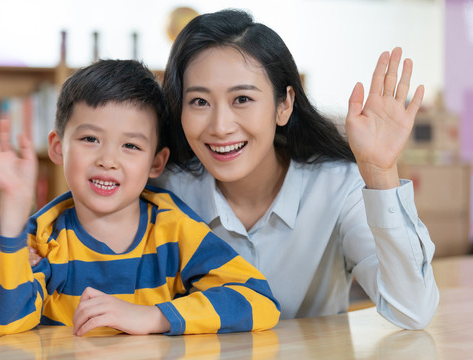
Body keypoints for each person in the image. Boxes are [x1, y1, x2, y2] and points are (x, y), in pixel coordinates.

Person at [151, 9, 439, 329]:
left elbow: (412, 312)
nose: (220, 127)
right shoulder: (164, 190)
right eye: (200, 102)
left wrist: (381, 173)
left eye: (242, 99)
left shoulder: (338, 186)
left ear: (284, 105)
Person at [0, 59, 280, 337]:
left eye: (131, 146)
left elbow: (257, 300)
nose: (108, 160)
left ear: (156, 162)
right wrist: (13, 205)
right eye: (90, 138)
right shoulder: (44, 240)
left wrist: (153, 317)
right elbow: (0, 323)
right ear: (57, 147)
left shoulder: (174, 230)